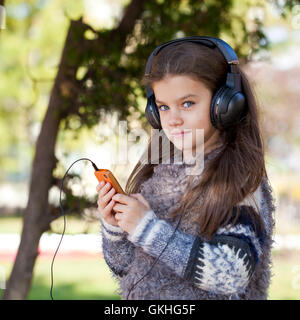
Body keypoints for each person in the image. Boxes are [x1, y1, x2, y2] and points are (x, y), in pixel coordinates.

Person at [96, 36, 276, 300]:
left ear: (224, 105)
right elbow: (126, 270)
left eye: (188, 103)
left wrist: (147, 229)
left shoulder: (238, 181)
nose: (174, 119)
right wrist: (116, 228)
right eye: (164, 107)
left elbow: (230, 274)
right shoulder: (158, 178)